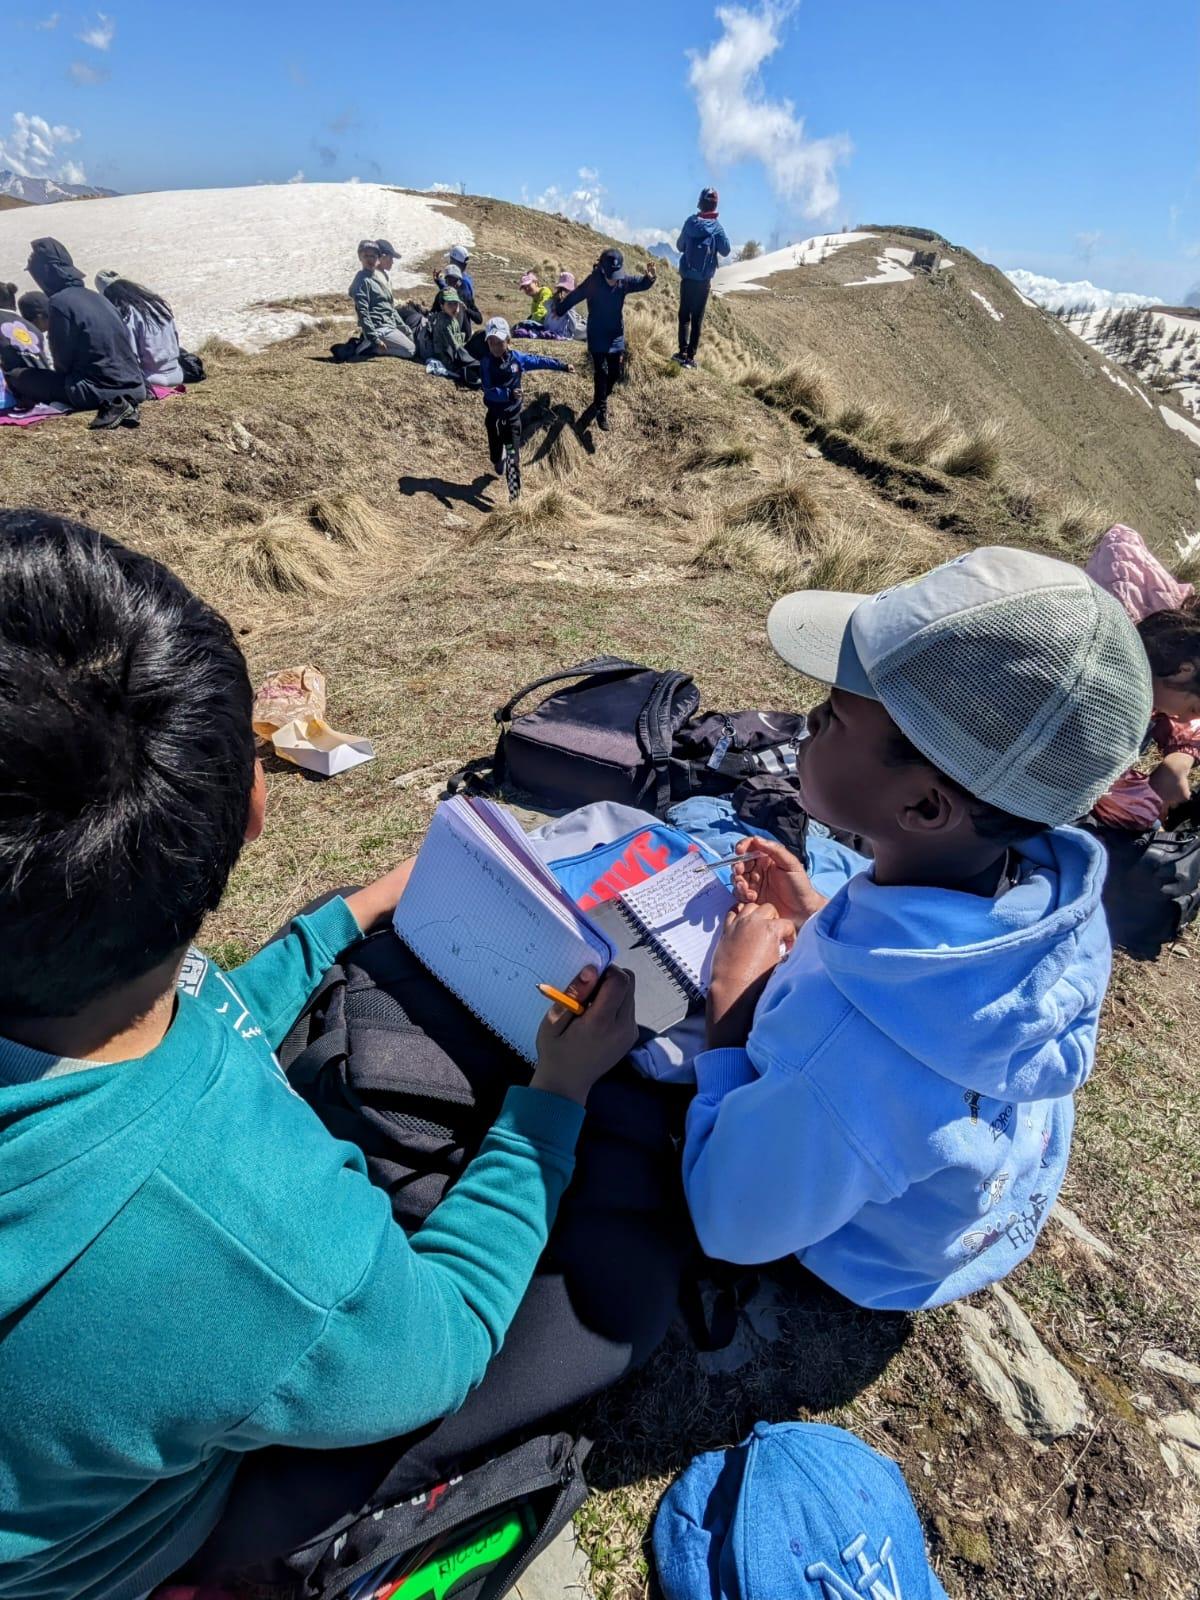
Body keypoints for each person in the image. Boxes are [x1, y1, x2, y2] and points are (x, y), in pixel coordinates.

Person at [0, 508, 639, 1600]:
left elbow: (171, 1017)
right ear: (256, 805)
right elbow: (443, 1337)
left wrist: (340, 918)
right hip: (108, 1564)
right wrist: (555, 1096)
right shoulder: (259, 1243)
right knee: (589, 1300)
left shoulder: (63, 986)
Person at [682, 547, 1153, 1311]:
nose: (806, 724)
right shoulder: (1052, 903)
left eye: (830, 717)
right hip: (977, 1222)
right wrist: (819, 916)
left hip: (869, 1264)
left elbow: (727, 1223)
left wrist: (732, 1013)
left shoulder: (839, 1054)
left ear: (927, 808)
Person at [1085, 523, 1200, 828]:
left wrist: (1179, 760)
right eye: (1194, 709)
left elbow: (1183, 717)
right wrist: (1148, 809)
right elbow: (1094, 785)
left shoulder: (1169, 634)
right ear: (1185, 670)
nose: (1188, 719)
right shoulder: (1104, 684)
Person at [7, 238, 147, 429]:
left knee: (17, 376)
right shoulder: (98, 297)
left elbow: (62, 363)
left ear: (45, 273)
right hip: (136, 387)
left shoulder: (59, 302)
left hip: (96, 391)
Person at [555, 247, 656, 431]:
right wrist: (559, 309)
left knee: (615, 373)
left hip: (615, 334)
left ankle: (600, 398)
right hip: (597, 334)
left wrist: (649, 277)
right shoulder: (593, 281)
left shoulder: (623, 281)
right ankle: (601, 410)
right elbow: (575, 296)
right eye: (610, 274)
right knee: (601, 372)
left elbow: (641, 283)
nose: (613, 278)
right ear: (602, 268)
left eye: (616, 274)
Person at [479, 314, 569, 501]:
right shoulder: (486, 362)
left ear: (508, 340)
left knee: (513, 460)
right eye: (491, 342)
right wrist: (508, 394)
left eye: (499, 341)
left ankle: (515, 498)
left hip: (512, 420)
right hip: (494, 418)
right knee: (495, 457)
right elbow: (488, 391)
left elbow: (539, 361)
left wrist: (562, 366)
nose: (495, 346)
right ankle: (498, 457)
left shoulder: (517, 360)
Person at [94, 270, 185, 389]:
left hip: (153, 378)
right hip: (177, 373)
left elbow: (131, 355)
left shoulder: (127, 313)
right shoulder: (157, 305)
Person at [674, 185, 730, 367]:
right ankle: (690, 358)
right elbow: (726, 250)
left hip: (688, 277)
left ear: (700, 203)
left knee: (684, 315)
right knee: (697, 319)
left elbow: (680, 246)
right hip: (704, 281)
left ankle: (681, 352)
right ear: (715, 206)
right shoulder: (717, 229)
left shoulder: (690, 222)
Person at [349, 239, 415, 359]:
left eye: (373, 256)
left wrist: (403, 327)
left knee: (411, 338)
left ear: (378, 258)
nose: (370, 259)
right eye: (366, 256)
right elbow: (363, 312)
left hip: (388, 325)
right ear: (360, 257)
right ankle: (372, 348)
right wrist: (374, 339)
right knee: (411, 350)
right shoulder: (362, 280)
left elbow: (389, 307)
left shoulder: (376, 277)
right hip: (379, 327)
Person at [429, 286, 479, 384]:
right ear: (442, 306)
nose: (454, 307)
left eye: (456, 304)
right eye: (450, 304)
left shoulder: (451, 318)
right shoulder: (444, 323)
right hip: (445, 356)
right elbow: (455, 346)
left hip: (452, 351)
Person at [433, 260, 482, 329]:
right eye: (449, 281)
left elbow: (479, 319)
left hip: (464, 337)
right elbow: (432, 314)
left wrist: (466, 310)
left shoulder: (465, 296)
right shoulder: (441, 296)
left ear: (459, 282)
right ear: (446, 282)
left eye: (455, 281)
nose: (452, 285)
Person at [537, 272, 582, 340]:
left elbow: (546, 322)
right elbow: (573, 326)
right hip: (563, 333)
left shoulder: (551, 302)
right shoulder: (569, 304)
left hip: (549, 330)